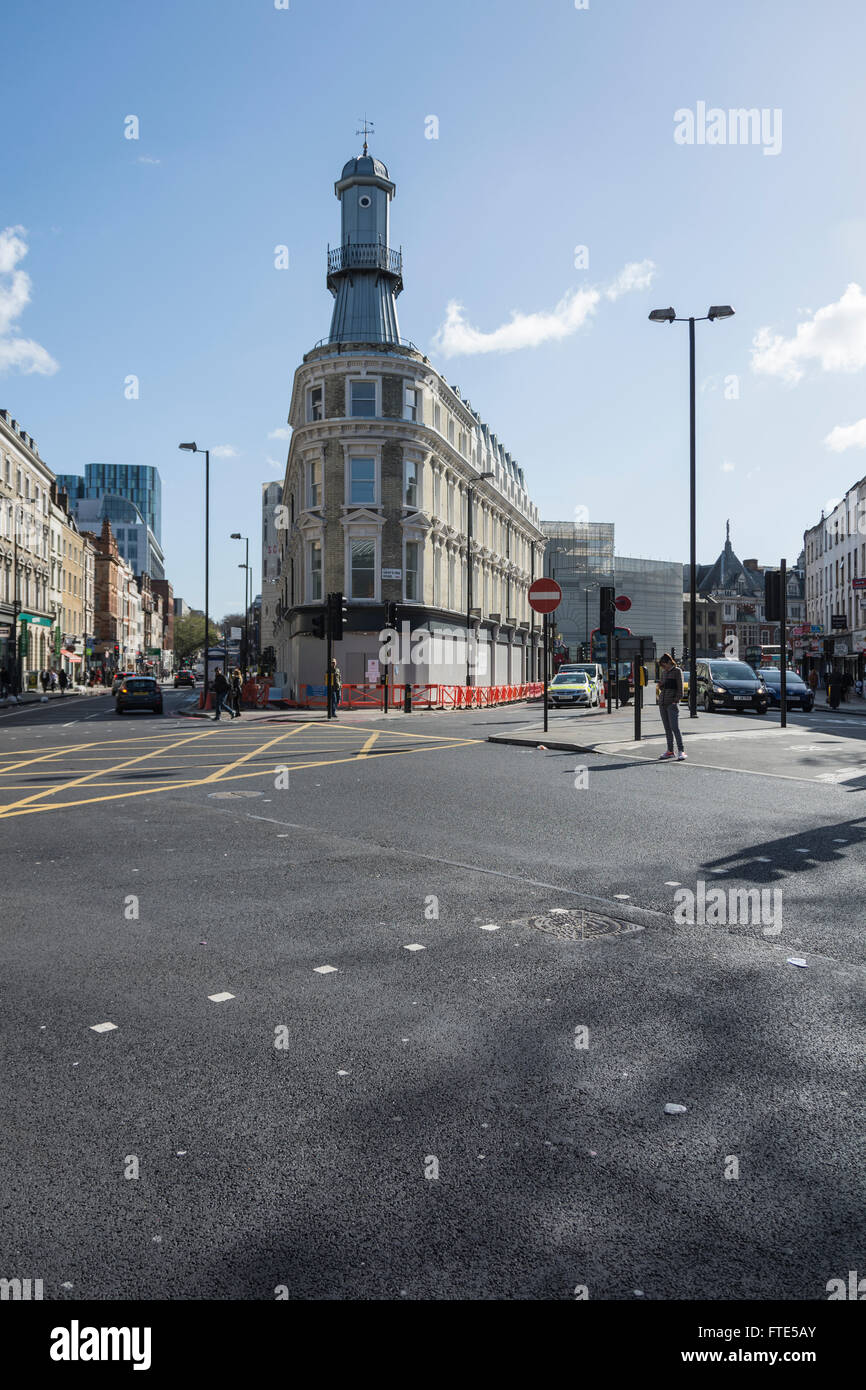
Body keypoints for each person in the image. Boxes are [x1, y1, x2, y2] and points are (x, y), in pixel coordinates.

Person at [657, 652, 686, 761]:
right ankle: (670, 751)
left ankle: (681, 750)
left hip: (671, 703)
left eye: (664, 665)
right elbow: (663, 688)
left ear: (669, 662)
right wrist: (661, 686)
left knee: (675, 728)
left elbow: (680, 688)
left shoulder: (677, 671)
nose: (663, 667)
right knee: (667, 728)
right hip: (662, 703)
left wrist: (675, 701)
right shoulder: (664, 672)